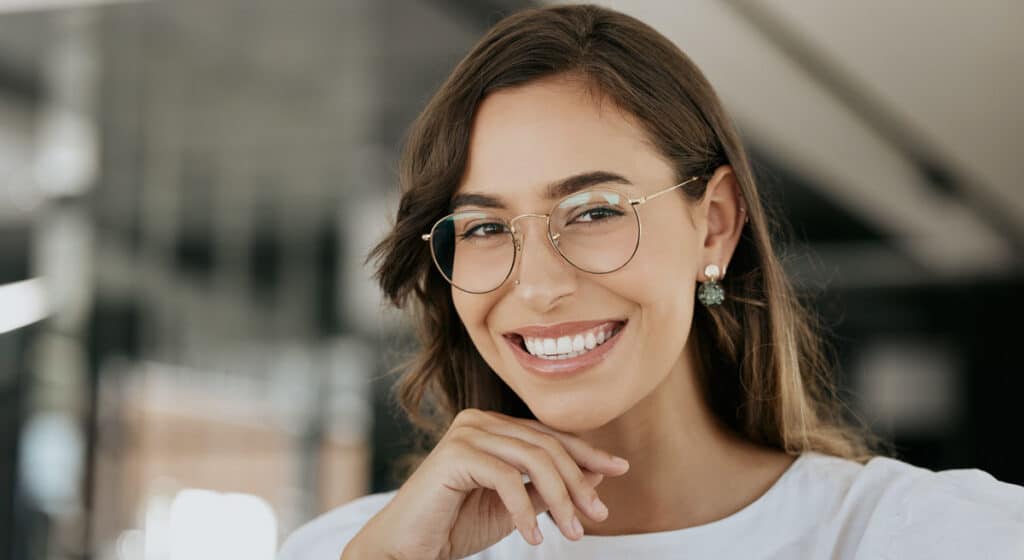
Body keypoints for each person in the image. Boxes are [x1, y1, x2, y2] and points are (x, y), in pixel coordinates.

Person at [279, 5, 1024, 559]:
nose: (537, 286)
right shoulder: (359, 546)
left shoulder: (921, 535)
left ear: (716, 226)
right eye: (482, 226)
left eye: (595, 211)